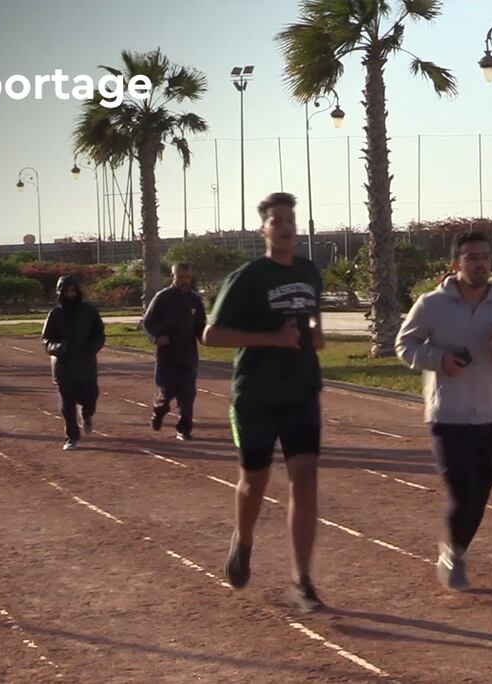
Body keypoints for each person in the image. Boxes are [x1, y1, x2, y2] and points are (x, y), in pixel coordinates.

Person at [203, 192, 327, 613]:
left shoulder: (310, 271)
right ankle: (244, 538)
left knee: (305, 477)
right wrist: (272, 339)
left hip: (301, 390)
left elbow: (312, 313)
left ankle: (301, 580)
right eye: (277, 221)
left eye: (291, 219)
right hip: (255, 394)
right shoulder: (247, 277)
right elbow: (213, 335)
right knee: (255, 480)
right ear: (264, 230)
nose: (286, 227)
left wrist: (314, 332)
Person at [395, 231, 492, 591]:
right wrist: (439, 360)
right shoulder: (432, 305)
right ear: (456, 263)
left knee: (482, 491)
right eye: (472, 257)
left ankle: (455, 548)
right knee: (462, 491)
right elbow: (404, 344)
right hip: (449, 416)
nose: (480, 263)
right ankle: (453, 555)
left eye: (485, 257)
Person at [142, 262, 207, 441]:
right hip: (167, 356)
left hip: (188, 356)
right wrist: (156, 337)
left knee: (187, 395)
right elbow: (147, 322)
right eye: (180, 277)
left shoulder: (195, 300)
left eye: (187, 277)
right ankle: (159, 411)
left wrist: (206, 337)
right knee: (166, 393)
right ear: (173, 277)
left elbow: (201, 326)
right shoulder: (162, 297)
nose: (184, 280)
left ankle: (184, 430)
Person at [41, 275, 106, 450]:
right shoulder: (55, 314)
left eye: (73, 290)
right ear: (60, 293)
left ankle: (87, 416)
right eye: (66, 291)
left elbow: (100, 334)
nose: (70, 294)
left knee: (90, 399)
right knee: (67, 405)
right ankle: (72, 437)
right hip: (64, 366)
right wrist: (57, 347)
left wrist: (93, 347)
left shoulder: (89, 311)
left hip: (86, 365)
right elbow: (46, 340)